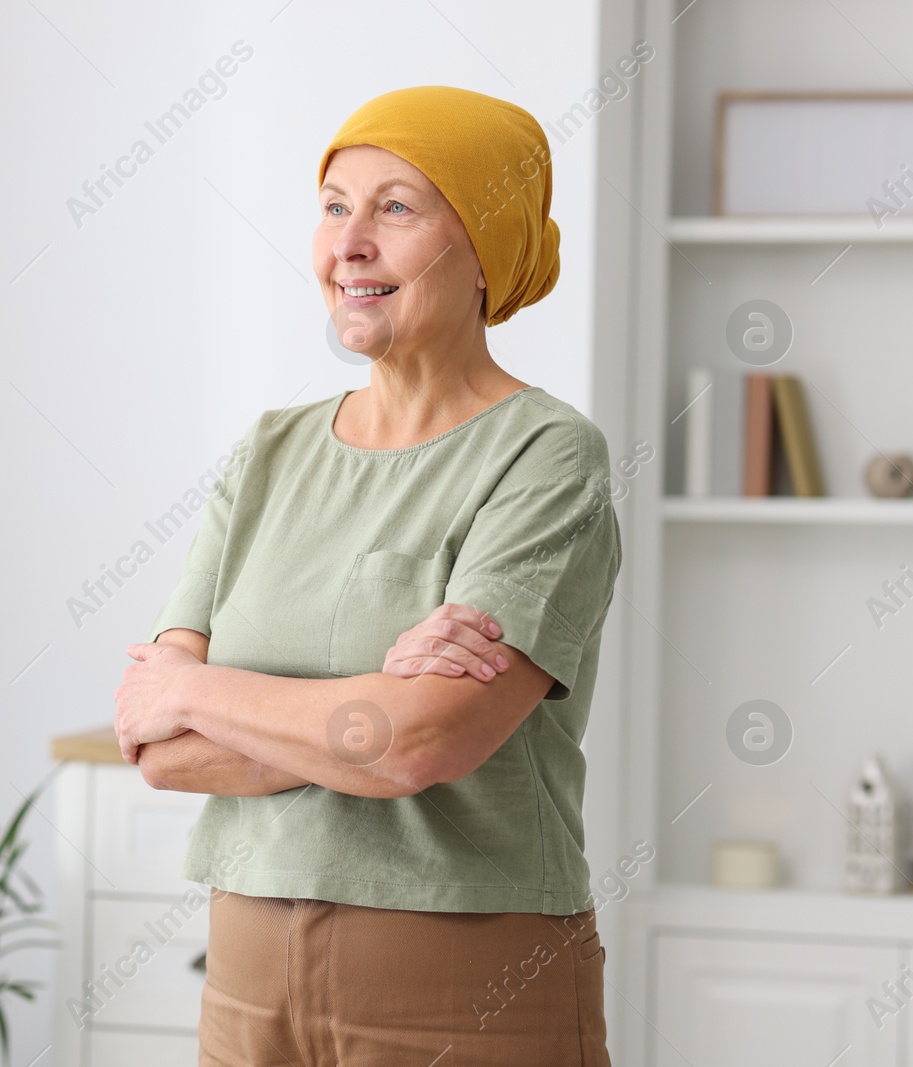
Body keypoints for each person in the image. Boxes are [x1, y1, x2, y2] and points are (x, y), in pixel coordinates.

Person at [113, 85, 621, 1066]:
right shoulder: (267, 452)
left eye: (395, 207)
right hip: (247, 983)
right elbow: (158, 744)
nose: (348, 242)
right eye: (335, 204)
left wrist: (199, 687)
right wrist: (368, 714)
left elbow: (424, 742)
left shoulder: (547, 455)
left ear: (485, 243)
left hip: (465, 984)